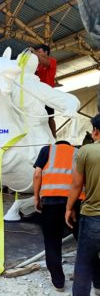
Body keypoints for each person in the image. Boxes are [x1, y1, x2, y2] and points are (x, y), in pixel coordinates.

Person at [33, 140, 84, 292]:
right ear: (68, 145)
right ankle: (97, 281)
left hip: (51, 202)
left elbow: (37, 175)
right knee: (84, 242)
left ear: (56, 145)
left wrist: (36, 198)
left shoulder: (47, 150)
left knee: (52, 241)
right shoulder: (78, 151)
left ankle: (58, 282)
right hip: (76, 202)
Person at [65, 114, 100, 296]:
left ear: (95, 131)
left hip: (93, 216)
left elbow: (76, 185)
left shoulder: (86, 152)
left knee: (84, 263)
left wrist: (69, 208)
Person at [30, 44, 57, 138]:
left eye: (39, 52)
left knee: (50, 117)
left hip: (47, 94)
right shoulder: (37, 65)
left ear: (46, 52)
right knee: (37, 117)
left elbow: (46, 63)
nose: (37, 54)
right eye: (37, 52)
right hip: (37, 94)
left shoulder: (51, 61)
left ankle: (54, 137)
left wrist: (34, 53)